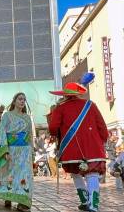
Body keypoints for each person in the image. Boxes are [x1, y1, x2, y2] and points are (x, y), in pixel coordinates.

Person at [49, 82, 108, 212]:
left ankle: (85, 201)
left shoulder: (60, 108)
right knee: (92, 174)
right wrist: (103, 139)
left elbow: (53, 129)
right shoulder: (91, 105)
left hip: (71, 148)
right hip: (93, 146)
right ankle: (94, 205)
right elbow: (102, 126)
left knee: (76, 173)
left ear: (65, 95)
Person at [0, 93, 34, 212]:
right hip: (12, 150)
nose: (22, 101)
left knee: (25, 175)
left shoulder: (27, 117)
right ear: (14, 101)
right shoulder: (7, 116)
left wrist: (32, 151)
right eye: (20, 99)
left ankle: (23, 201)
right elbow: (2, 132)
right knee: (10, 174)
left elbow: (30, 135)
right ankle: (7, 195)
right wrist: (5, 150)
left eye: (24, 99)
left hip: (25, 151)